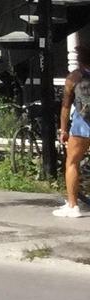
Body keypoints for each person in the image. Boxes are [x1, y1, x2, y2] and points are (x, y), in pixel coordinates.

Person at [56, 57, 90, 218]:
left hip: (81, 126)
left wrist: (63, 130)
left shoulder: (74, 77)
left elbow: (66, 106)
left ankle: (72, 205)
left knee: (72, 162)